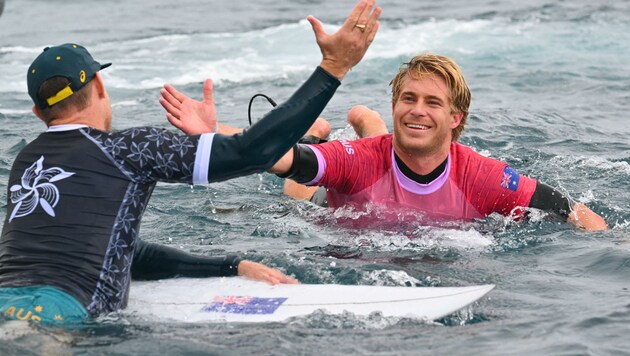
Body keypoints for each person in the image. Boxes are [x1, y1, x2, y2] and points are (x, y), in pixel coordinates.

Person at [0, 0, 382, 323]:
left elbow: (120, 251)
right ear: (100, 86)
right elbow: (251, 153)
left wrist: (229, 266)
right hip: (57, 313)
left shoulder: (26, 163)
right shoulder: (127, 148)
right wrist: (333, 69)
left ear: (37, 112)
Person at [160, 53, 607, 231]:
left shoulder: (481, 176)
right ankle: (322, 131)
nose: (416, 108)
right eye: (407, 98)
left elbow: (570, 209)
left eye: (433, 102)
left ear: (456, 118)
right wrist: (214, 139)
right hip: (357, 174)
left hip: (383, 156)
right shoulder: (359, 162)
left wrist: (614, 246)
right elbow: (279, 160)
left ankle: (362, 119)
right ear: (395, 103)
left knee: (373, 139)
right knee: (298, 190)